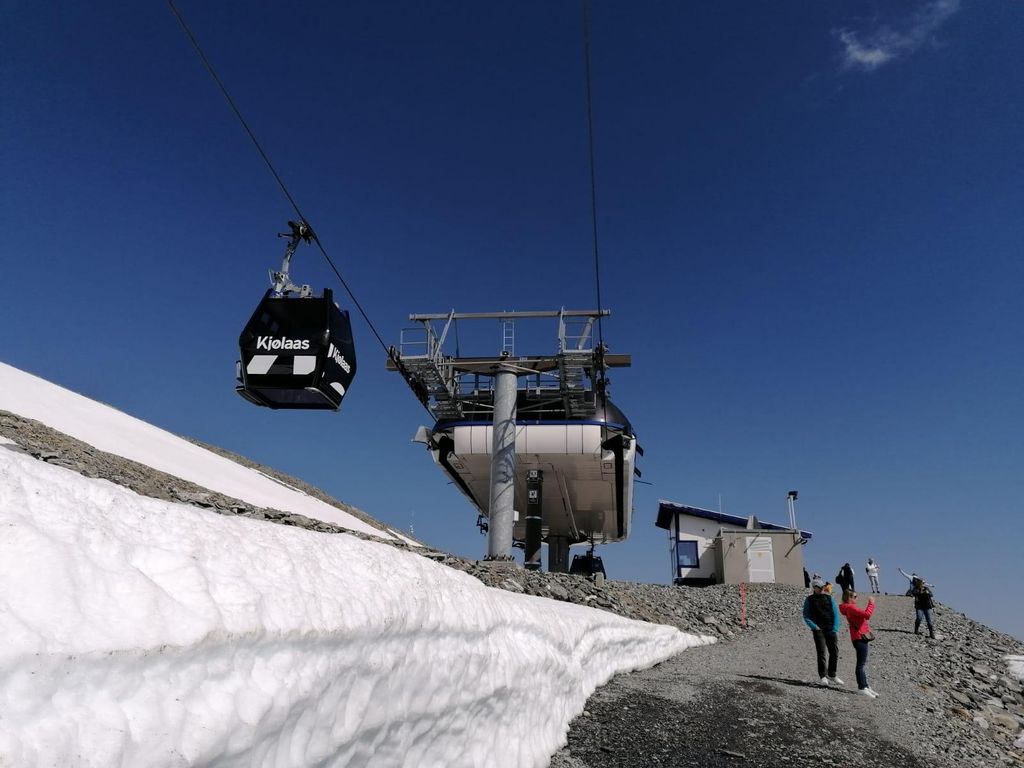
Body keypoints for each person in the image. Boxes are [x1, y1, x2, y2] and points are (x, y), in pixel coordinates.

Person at [802, 577, 844, 687]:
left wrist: (835, 628)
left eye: (822, 587)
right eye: (818, 587)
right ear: (814, 588)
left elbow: (835, 613)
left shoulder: (829, 598)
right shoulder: (809, 600)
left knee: (834, 652)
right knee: (821, 653)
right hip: (818, 629)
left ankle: (832, 674)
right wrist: (814, 626)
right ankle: (823, 676)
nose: (821, 589)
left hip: (830, 628)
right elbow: (806, 615)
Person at [838, 589, 877, 697]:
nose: (856, 598)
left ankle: (865, 686)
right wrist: (871, 603)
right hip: (859, 637)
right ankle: (861, 687)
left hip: (858, 637)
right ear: (849, 598)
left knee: (862, 664)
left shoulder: (847, 608)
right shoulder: (851, 607)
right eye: (854, 597)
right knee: (860, 664)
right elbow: (867, 615)